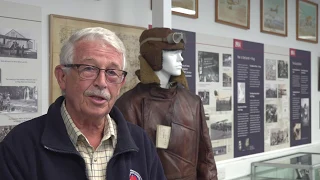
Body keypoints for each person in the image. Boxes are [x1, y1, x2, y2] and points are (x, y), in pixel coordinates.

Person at [0, 27, 166, 180]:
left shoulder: (140, 142)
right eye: (89, 68)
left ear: (121, 83)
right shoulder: (20, 145)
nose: (102, 83)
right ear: (62, 77)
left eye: (112, 72)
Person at [115, 27, 218, 180]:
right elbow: (126, 166)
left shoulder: (193, 102)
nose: (181, 59)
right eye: (173, 53)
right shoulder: (129, 104)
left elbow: (206, 158)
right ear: (154, 56)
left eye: (180, 53)